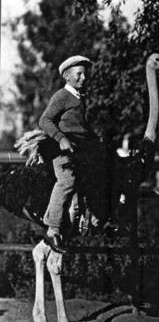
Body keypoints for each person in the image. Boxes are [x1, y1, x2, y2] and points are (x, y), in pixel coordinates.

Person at [39, 55, 92, 253]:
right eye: (79, 74)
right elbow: (44, 120)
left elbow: (81, 128)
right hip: (62, 151)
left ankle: (93, 220)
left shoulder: (80, 98)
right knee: (66, 181)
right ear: (68, 76)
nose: (83, 78)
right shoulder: (62, 96)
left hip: (81, 150)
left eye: (85, 74)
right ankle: (52, 229)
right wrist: (61, 138)